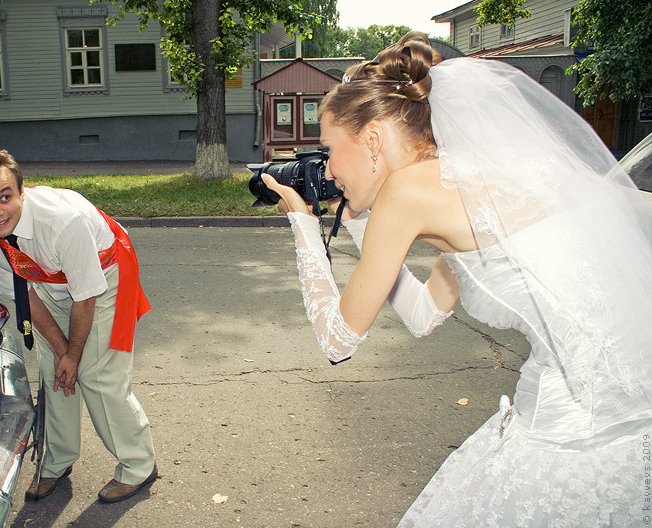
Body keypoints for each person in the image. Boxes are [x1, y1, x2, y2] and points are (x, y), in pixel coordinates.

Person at [263, 32, 652, 526]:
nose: (328, 169)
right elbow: (424, 314)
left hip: (584, 425)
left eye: (329, 149)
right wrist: (360, 221)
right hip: (624, 401)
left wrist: (301, 224)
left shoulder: (410, 192)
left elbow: (337, 339)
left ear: (374, 139)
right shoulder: (468, 181)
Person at [0, 150, 157, 502]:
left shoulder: (63, 222)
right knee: (55, 371)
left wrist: (75, 353)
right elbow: (23, 293)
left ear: (22, 191)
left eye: (4, 197)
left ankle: (138, 465)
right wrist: (61, 350)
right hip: (45, 282)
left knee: (96, 375)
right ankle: (56, 460)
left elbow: (85, 295)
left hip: (103, 274)